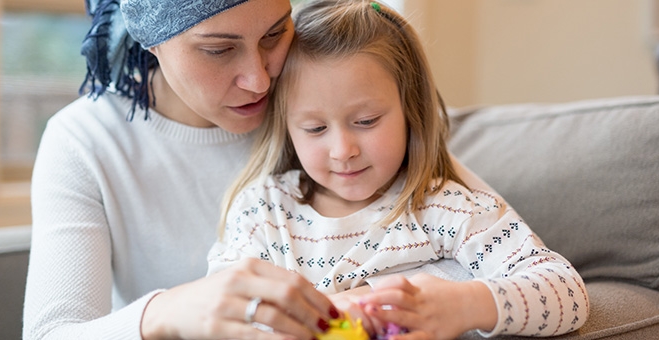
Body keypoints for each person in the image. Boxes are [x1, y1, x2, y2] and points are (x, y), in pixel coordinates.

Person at [206, 0, 589, 339]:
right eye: (315, 129)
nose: (343, 151)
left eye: (367, 120)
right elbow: (215, 311)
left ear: (410, 110)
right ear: (287, 128)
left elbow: (567, 293)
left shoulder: (442, 207)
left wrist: (463, 305)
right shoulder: (264, 210)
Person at [23, 0, 343, 339]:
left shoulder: (329, 113)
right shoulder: (87, 141)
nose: (259, 81)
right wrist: (169, 310)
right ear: (151, 38)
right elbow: (50, 333)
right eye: (218, 50)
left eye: (275, 33)